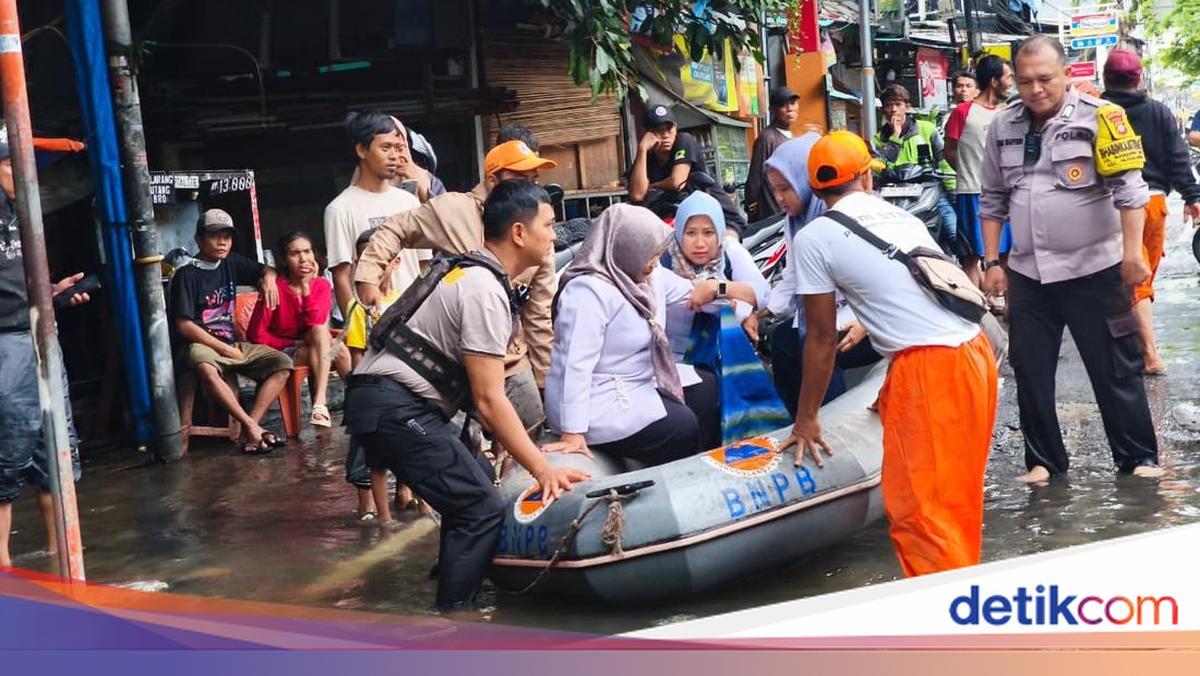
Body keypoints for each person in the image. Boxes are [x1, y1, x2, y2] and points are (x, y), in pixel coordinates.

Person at [346, 180, 589, 612]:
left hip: (390, 401)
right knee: (479, 507)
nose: (554, 235)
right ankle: (455, 621)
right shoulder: (483, 289)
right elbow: (489, 399)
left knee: (474, 479)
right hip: (393, 405)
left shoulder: (477, 274)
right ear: (518, 232)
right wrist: (542, 470)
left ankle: (449, 582)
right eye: (548, 225)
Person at [786, 130, 998, 577]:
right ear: (865, 177)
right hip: (972, 354)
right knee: (956, 499)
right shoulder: (901, 217)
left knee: (923, 514)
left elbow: (821, 338)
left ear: (817, 190)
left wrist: (806, 418)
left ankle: (949, 626)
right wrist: (870, 323)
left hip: (931, 369)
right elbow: (920, 290)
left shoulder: (813, 238)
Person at [979, 35, 1163, 483]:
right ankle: (1043, 462)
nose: (1035, 89)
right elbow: (992, 199)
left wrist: (1132, 254)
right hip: (1028, 272)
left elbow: (1130, 192)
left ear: (1066, 74)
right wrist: (991, 262)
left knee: (1116, 369)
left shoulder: (1103, 118)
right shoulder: (1002, 127)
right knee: (1032, 371)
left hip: (1095, 269)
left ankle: (1139, 457)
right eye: (1024, 81)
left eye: (1045, 79)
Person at [355, 140, 558, 435]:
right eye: (520, 179)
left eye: (533, 180)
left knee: (534, 431)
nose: (529, 189)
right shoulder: (453, 210)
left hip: (509, 359)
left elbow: (539, 316)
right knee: (463, 448)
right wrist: (368, 279)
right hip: (451, 361)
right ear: (492, 180)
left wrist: (544, 382)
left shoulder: (539, 235)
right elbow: (396, 228)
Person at [545, 204, 704, 466]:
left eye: (657, 254)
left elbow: (694, 294)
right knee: (682, 427)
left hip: (637, 382)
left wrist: (732, 294)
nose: (654, 262)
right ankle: (678, 486)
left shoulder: (644, 276)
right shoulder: (588, 291)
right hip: (599, 399)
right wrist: (573, 431)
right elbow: (574, 365)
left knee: (706, 389)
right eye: (650, 254)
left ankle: (699, 471)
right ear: (627, 248)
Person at [0, 141, 89, 568]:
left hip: (38, 333)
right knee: (8, 447)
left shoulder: (24, 215)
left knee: (55, 445)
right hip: (5, 343)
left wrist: (51, 296)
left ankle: (63, 557)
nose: (20, 174)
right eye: (9, 164)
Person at [762, 135, 882, 416]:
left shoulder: (842, 220)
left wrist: (862, 322)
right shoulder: (796, 224)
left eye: (785, 189)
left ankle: (832, 425)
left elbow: (879, 280)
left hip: (867, 322)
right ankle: (792, 419)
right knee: (782, 340)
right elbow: (794, 274)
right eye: (774, 190)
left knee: (818, 346)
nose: (779, 198)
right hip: (838, 317)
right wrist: (764, 312)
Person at [1101, 48, 1200, 375]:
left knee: (1133, 280)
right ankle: (1144, 349)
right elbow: (1177, 157)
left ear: (1105, 77)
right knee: (1140, 277)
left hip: (1111, 206)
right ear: (1139, 78)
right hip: (1154, 204)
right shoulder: (1158, 112)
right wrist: (1191, 194)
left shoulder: (1096, 112)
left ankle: (1148, 353)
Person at [170, 208, 293, 454]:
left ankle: (252, 429)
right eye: (215, 235)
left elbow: (265, 269)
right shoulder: (187, 274)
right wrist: (224, 349)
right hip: (200, 345)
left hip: (231, 343)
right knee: (206, 367)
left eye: (227, 236)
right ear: (199, 239)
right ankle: (251, 426)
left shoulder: (231, 263)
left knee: (283, 364)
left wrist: (268, 279)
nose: (222, 241)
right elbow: (184, 326)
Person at [661, 192, 777, 448]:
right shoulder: (663, 259)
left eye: (708, 233)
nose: (699, 243)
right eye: (691, 233)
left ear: (720, 232)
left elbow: (762, 294)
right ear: (679, 232)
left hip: (724, 354)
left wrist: (717, 287)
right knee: (704, 394)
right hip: (674, 361)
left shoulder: (730, 253)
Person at [325, 111, 430, 321]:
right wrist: (358, 330)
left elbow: (424, 266)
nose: (394, 156)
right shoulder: (340, 209)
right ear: (361, 150)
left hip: (416, 321)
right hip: (374, 323)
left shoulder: (409, 202)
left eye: (397, 148)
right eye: (385, 148)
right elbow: (342, 277)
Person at [247, 231, 351, 428]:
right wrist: (292, 342)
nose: (303, 258)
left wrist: (306, 288)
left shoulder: (320, 285)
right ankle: (343, 403)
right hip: (281, 351)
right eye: (295, 253)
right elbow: (256, 334)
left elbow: (316, 323)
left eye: (307, 251)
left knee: (325, 338)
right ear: (284, 260)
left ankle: (321, 403)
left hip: (314, 346)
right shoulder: (274, 287)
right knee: (338, 349)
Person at [945, 55, 1015, 287]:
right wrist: (969, 172)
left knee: (1008, 255)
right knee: (971, 255)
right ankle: (975, 310)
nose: (1011, 82)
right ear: (994, 81)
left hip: (1006, 194)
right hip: (972, 192)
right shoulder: (963, 112)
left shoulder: (1008, 113)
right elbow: (949, 150)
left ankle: (1008, 307)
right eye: (1008, 77)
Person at [873, 83, 959, 255]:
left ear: (907, 106)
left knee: (953, 232)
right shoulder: (878, 139)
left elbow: (942, 161)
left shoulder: (926, 129)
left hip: (929, 190)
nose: (893, 110)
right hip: (895, 195)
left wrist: (952, 190)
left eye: (898, 104)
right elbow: (881, 166)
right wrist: (895, 137)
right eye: (889, 105)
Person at [744, 86, 800, 222]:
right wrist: (752, 206)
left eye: (793, 103)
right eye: (783, 105)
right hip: (772, 214)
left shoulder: (792, 137)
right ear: (773, 110)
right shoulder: (768, 138)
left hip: (788, 211)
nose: (789, 109)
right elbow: (755, 178)